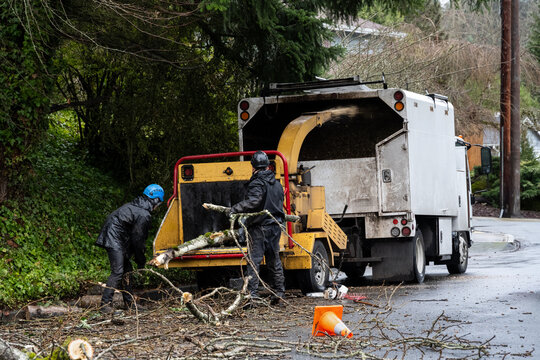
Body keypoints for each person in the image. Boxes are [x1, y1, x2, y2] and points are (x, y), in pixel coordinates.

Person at [96, 184, 164, 313]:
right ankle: (104, 305)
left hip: (118, 239)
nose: (157, 207)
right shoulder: (143, 214)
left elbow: (134, 237)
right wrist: (141, 259)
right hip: (114, 238)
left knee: (127, 271)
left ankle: (130, 303)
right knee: (117, 271)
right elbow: (138, 240)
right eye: (159, 203)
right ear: (155, 200)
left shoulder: (136, 207)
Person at [230, 151, 286, 306]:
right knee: (274, 261)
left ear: (253, 166)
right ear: (267, 165)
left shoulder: (257, 182)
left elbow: (254, 201)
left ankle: (252, 297)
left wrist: (235, 208)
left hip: (260, 227)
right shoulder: (276, 184)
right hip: (275, 226)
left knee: (254, 262)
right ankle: (279, 294)